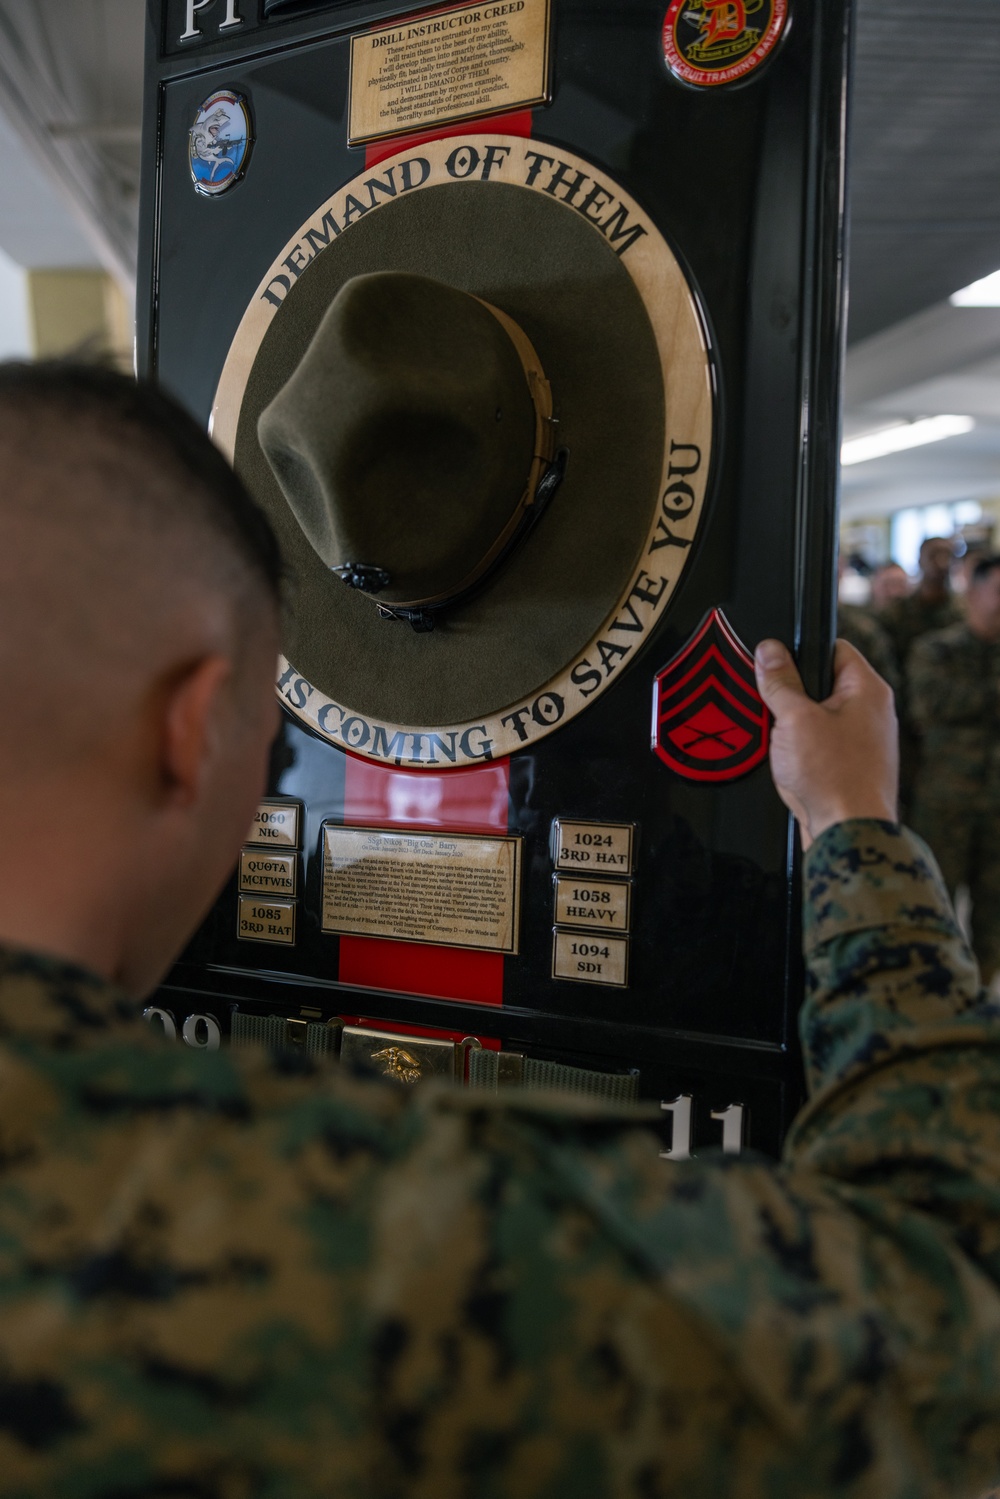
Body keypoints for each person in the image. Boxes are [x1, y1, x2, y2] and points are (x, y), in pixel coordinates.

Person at [2, 361, 1000, 1498]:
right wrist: (852, 826)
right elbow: (943, 1338)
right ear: (190, 731)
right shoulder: (351, 1230)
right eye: (268, 747)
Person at [909, 554, 1000, 985]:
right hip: (946, 803)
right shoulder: (937, 649)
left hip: (997, 808)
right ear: (974, 592)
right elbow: (930, 704)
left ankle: (980, 996)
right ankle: (934, 998)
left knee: (994, 917)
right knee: (934, 906)